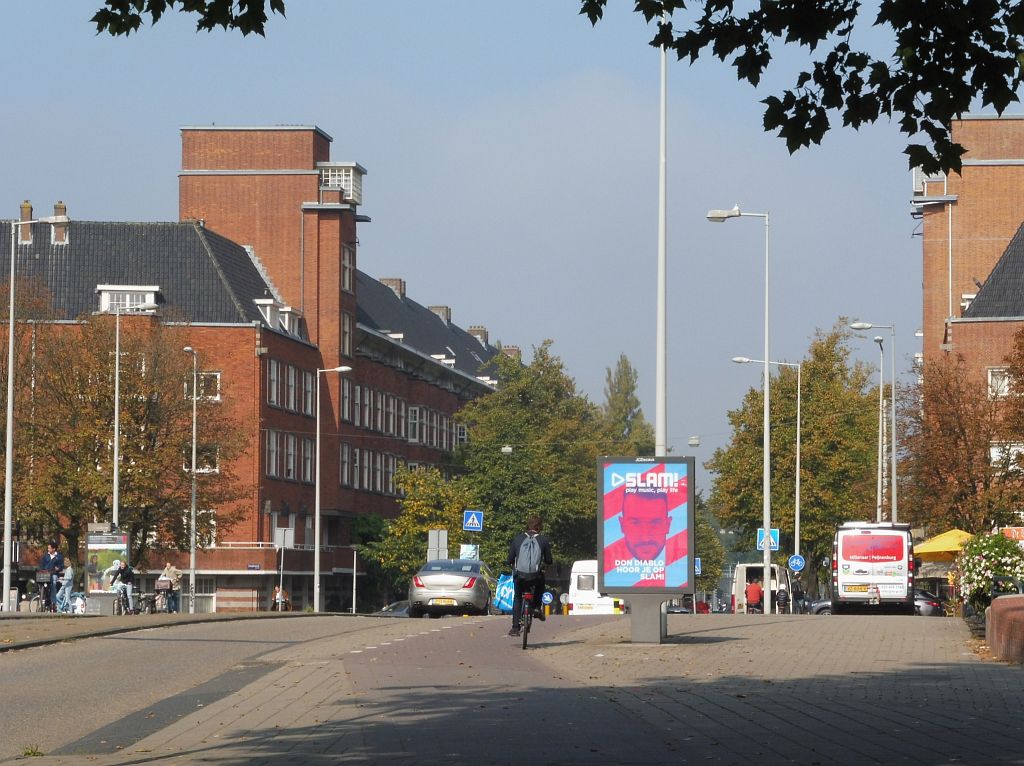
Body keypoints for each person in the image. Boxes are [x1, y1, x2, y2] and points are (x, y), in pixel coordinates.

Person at [506, 516, 553, 637]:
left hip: (520, 577)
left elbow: (510, 559)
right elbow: (549, 560)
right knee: (540, 583)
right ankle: (537, 607)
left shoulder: (518, 539)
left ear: (528, 526)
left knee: (517, 597)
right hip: (535, 577)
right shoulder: (543, 540)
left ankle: (515, 628)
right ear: (539, 527)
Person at [40, 542, 65, 612]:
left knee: (54, 583)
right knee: (40, 582)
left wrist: (58, 568)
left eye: (49, 548)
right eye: (48, 548)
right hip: (45, 574)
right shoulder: (45, 556)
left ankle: (53, 601)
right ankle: (42, 597)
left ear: (54, 549)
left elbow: (62, 566)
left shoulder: (59, 557)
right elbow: (41, 565)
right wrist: (41, 570)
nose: (48, 549)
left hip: (53, 574)